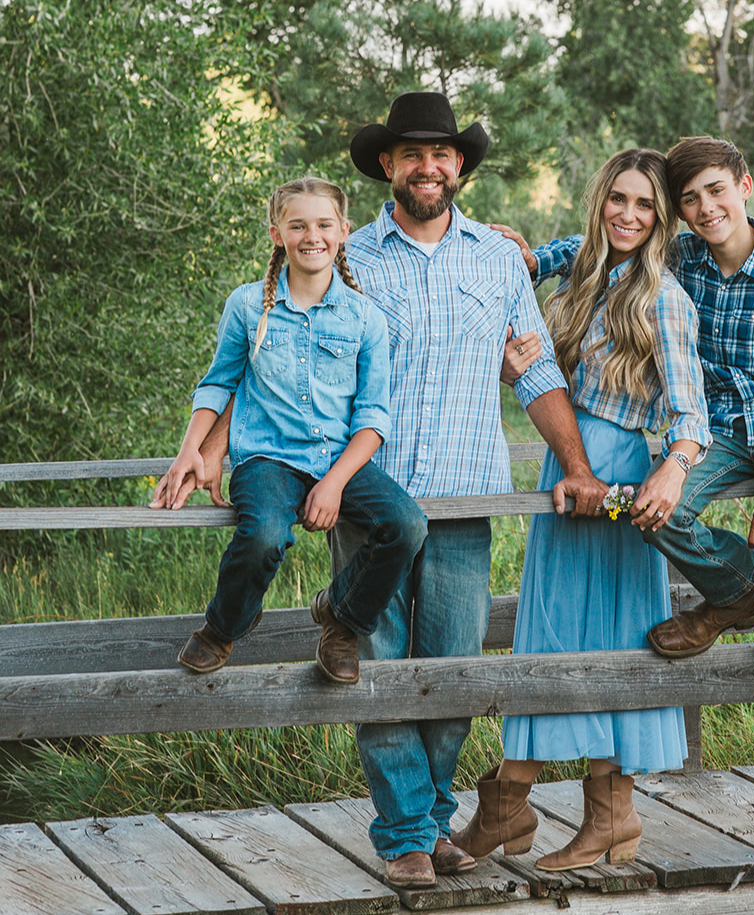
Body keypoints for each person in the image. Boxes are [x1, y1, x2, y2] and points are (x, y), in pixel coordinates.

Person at [155, 92, 605, 889]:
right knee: (378, 661)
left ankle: (433, 821)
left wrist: (574, 464)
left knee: (454, 669)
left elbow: (533, 370)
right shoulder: (348, 256)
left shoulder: (500, 259)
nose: (427, 166)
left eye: (442, 153)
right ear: (388, 167)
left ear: (459, 166)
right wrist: (206, 448)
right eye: (411, 154)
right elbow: (264, 368)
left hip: (469, 496)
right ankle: (403, 832)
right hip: (372, 492)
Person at [500, 136, 754, 665]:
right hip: (719, 430)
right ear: (678, 211)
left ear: (745, 188)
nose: (706, 208)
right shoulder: (683, 257)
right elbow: (604, 242)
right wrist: (532, 261)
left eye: (717, 191)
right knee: (657, 511)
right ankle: (735, 593)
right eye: (690, 198)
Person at [453, 148, 710, 872]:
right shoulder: (582, 278)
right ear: (599, 202)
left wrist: (672, 468)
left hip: (620, 483)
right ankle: (564, 811)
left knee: (609, 636)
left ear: (661, 220)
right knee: (550, 631)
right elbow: (539, 364)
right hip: (566, 471)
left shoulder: (664, 297)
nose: (628, 215)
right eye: (617, 200)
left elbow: (692, 413)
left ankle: (570, 812)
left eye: (645, 206)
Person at [151, 177, 427, 685]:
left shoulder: (364, 317)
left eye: (324, 224)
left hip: (338, 460)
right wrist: (191, 449)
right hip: (267, 459)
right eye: (297, 225)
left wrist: (335, 483)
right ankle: (224, 626)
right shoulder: (247, 305)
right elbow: (218, 383)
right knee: (263, 537)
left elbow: (372, 418)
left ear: (344, 231)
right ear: (277, 234)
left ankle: (341, 620)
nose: (311, 235)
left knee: (406, 525)